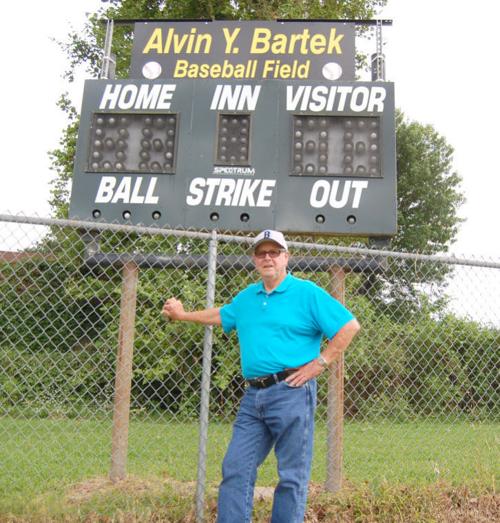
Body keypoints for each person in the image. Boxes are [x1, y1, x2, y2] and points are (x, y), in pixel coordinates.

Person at [162, 229, 360, 523]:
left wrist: (321, 362)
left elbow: (349, 325)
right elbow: (221, 315)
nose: (267, 257)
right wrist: (182, 315)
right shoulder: (248, 298)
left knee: (292, 476)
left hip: (292, 391)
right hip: (254, 397)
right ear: (254, 259)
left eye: (274, 252)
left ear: (286, 257)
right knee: (236, 469)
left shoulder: (307, 293)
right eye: (261, 253)